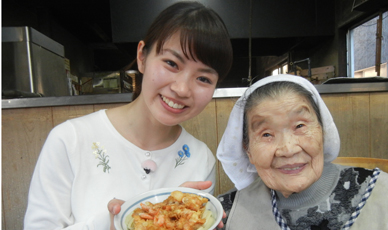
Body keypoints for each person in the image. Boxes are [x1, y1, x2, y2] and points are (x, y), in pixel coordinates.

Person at [24, 2, 232, 229]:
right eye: (171, 63)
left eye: (203, 79)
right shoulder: (69, 140)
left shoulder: (200, 158)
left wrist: (178, 217)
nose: (182, 89)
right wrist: (108, 224)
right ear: (142, 57)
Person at [216, 74, 388, 230]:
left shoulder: (380, 195)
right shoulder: (224, 215)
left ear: (323, 132)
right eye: (267, 134)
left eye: (300, 126)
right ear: (247, 149)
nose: (288, 149)